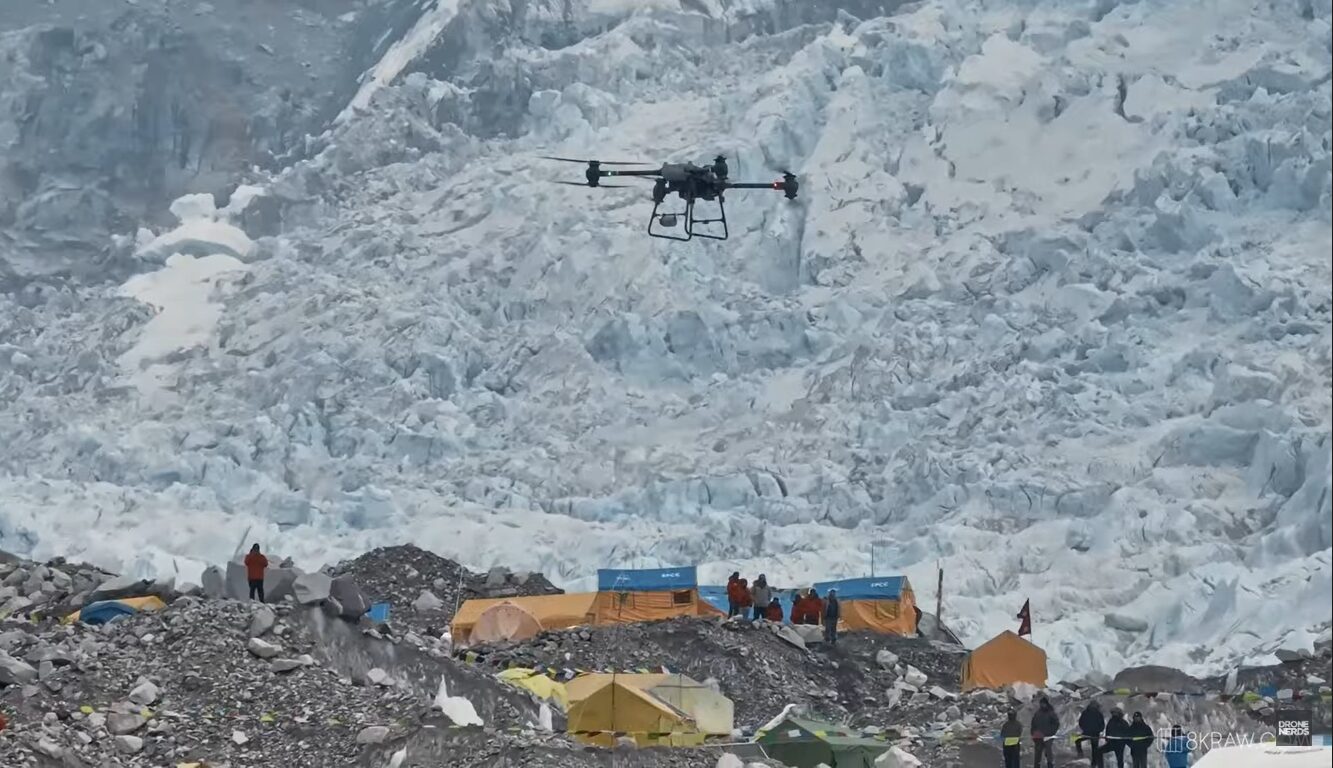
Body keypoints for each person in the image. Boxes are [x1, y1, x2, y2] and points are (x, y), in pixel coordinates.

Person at [1030, 696, 1059, 768]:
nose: (1042, 705)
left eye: (1043, 704)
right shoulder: (1037, 713)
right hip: (1038, 736)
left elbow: (1056, 723)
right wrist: (1033, 732)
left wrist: (1052, 732)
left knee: (1048, 752)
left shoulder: (1051, 713)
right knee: (1038, 753)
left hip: (1048, 736)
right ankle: (1037, 766)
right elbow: (1033, 723)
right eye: (1041, 704)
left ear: (1046, 704)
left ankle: (1050, 765)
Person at [1077, 700, 1106, 767]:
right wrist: (1099, 730)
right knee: (1094, 749)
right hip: (1095, 734)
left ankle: (1080, 754)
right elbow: (1102, 724)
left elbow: (1081, 722)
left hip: (1087, 732)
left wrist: (1084, 728)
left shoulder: (1085, 712)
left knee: (1077, 741)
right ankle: (1094, 763)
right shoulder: (1099, 713)